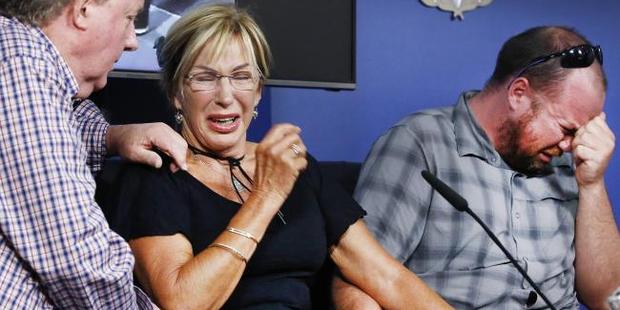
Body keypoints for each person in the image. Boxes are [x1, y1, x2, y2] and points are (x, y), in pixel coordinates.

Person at [106, 4, 453, 309]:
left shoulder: (296, 168)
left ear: (257, 92)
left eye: (241, 77)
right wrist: (266, 195)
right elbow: (182, 302)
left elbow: (385, 276)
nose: (226, 96)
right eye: (205, 78)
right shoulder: (154, 174)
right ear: (176, 93)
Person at [334, 26, 620, 309]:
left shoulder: (568, 161)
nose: (570, 146)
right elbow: (356, 273)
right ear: (518, 93)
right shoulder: (420, 143)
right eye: (566, 129)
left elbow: (608, 300)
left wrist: (592, 183)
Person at [0, 0, 188, 308]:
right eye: (129, 18)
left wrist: (110, 136)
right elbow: (78, 263)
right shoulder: (21, 67)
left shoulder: (27, 66)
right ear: (83, 9)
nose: (131, 41)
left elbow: (56, 122)